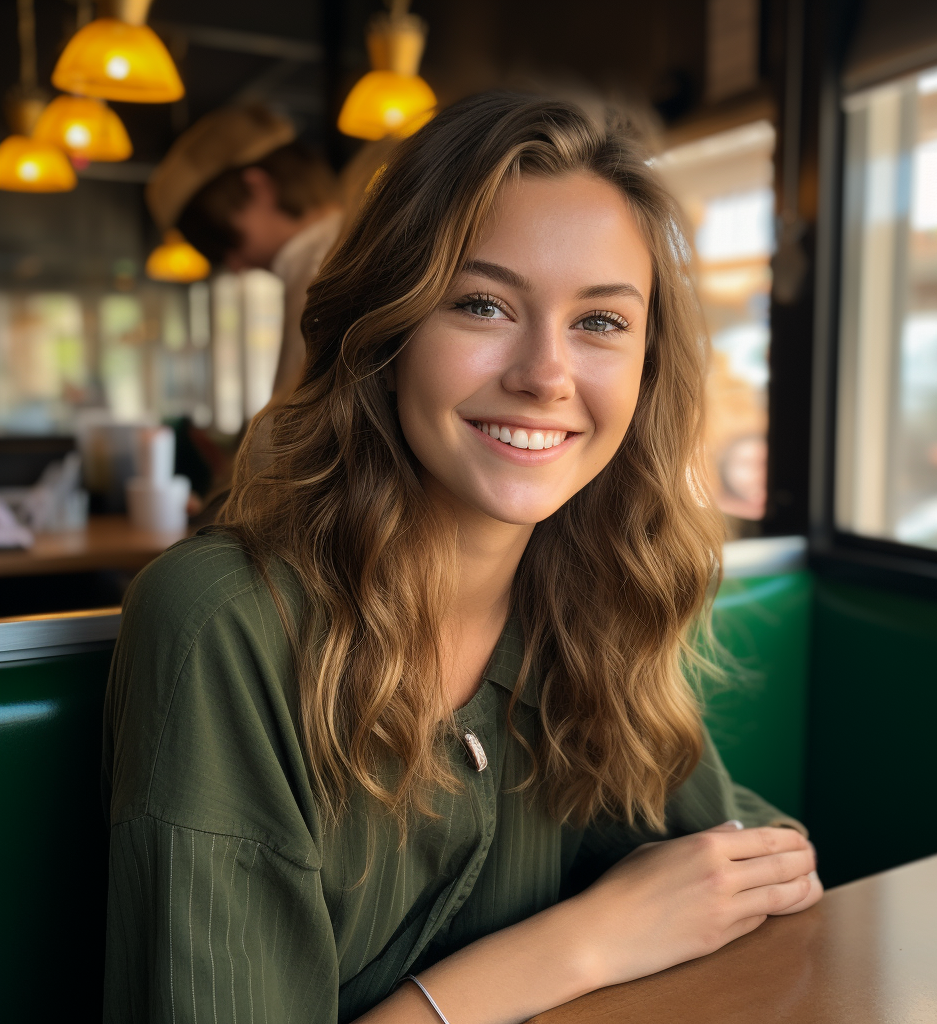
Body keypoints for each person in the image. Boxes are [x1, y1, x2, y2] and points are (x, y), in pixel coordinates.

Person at [104, 92, 823, 1024]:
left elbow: (752, 864)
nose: (545, 375)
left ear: (647, 369)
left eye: (601, 322)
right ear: (386, 329)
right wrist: (587, 940)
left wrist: (692, 892)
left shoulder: (590, 596)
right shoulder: (222, 622)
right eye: (482, 304)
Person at [145, 104, 344, 406]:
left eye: (223, 240)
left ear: (258, 187)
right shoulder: (334, 249)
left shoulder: (320, 273)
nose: (235, 266)